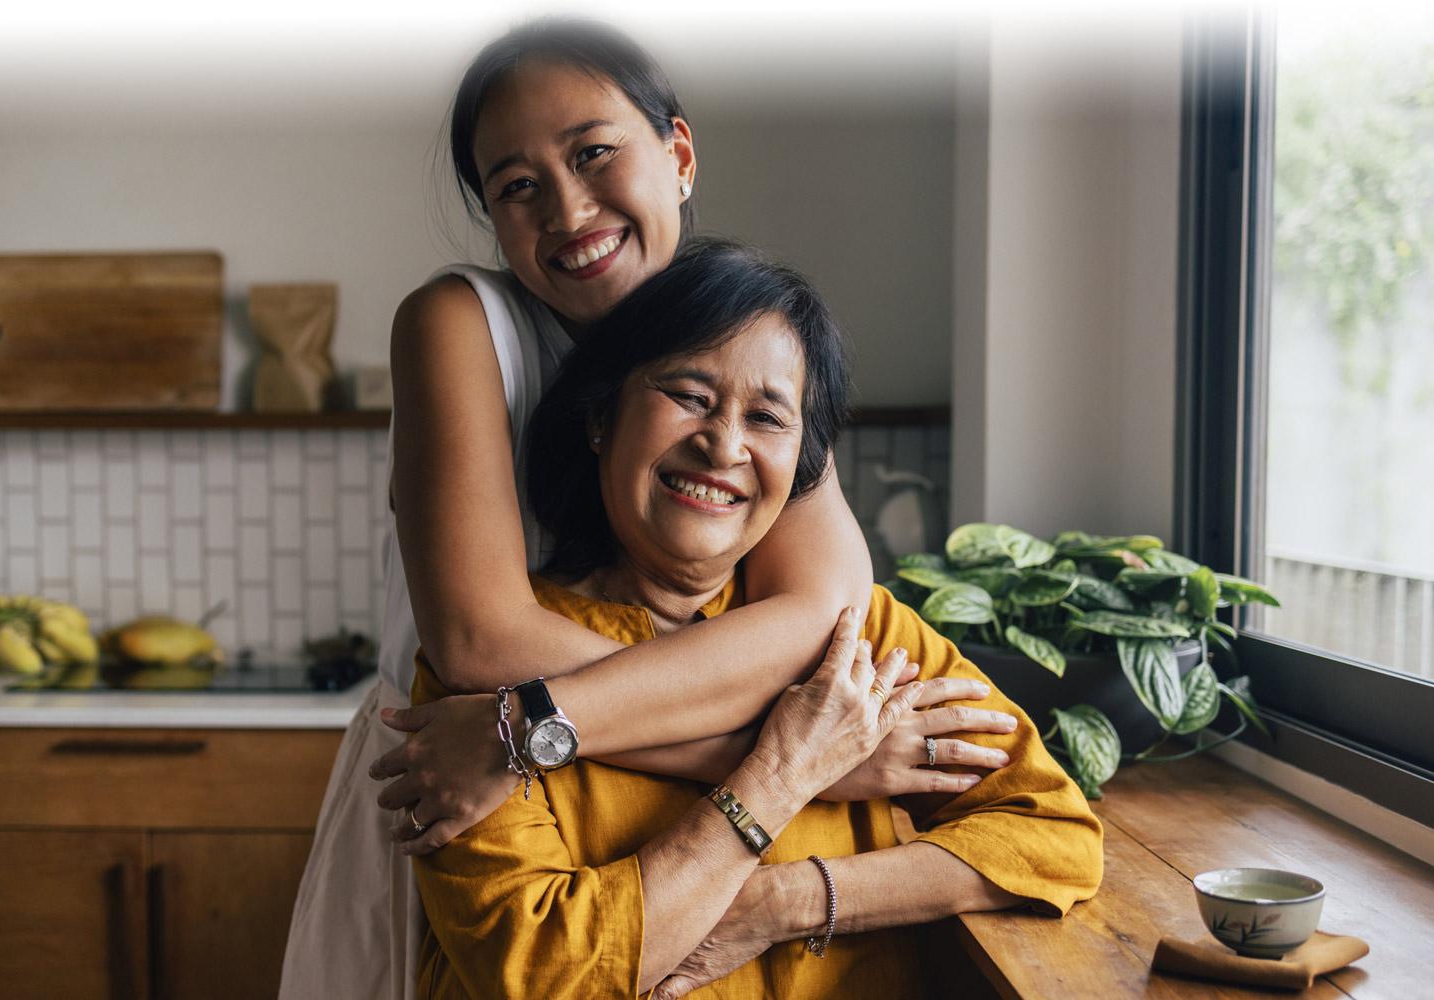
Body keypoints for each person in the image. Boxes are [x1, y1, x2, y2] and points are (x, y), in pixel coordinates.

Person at [279, 19, 1013, 1000]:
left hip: (587, 784)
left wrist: (541, 729)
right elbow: (479, 639)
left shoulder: (746, 336)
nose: (568, 208)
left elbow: (815, 617)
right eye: (517, 185)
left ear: (677, 154)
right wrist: (799, 761)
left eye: (593, 153)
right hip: (471, 799)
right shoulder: (457, 322)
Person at [410, 238, 1104, 999]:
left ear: (801, 468)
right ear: (601, 416)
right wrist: (782, 776)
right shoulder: (491, 699)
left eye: (768, 417)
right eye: (688, 395)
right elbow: (542, 972)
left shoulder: (858, 642)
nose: (722, 445)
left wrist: (787, 902)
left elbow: (1052, 835)